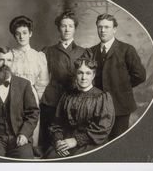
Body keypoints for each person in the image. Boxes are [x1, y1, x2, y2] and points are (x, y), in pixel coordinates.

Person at [44, 57, 115, 159]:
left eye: (88, 73)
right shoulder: (67, 95)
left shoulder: (102, 97)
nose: (83, 77)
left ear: (93, 75)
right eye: (80, 73)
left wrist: (76, 140)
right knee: (51, 158)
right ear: (75, 74)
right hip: (66, 141)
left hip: (91, 142)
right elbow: (57, 123)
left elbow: (103, 128)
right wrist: (58, 141)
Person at [90, 13, 146, 139]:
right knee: (98, 141)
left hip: (120, 106)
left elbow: (140, 75)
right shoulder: (91, 51)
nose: (102, 30)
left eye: (106, 27)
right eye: (99, 27)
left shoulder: (126, 49)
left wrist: (122, 85)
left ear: (114, 29)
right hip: (97, 106)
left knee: (117, 142)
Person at [40, 10, 88, 151]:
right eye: (63, 26)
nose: (67, 29)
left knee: (70, 143)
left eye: (70, 26)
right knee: (50, 142)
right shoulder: (48, 51)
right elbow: (39, 77)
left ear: (75, 28)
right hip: (52, 101)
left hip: (75, 100)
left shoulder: (83, 52)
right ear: (58, 28)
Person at [9, 15, 49, 156]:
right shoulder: (9, 55)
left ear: (30, 33)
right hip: (11, 96)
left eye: (24, 33)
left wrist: (35, 103)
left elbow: (42, 83)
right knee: (12, 131)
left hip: (32, 97)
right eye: (18, 33)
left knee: (31, 134)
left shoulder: (38, 56)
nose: (21, 36)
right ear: (14, 35)